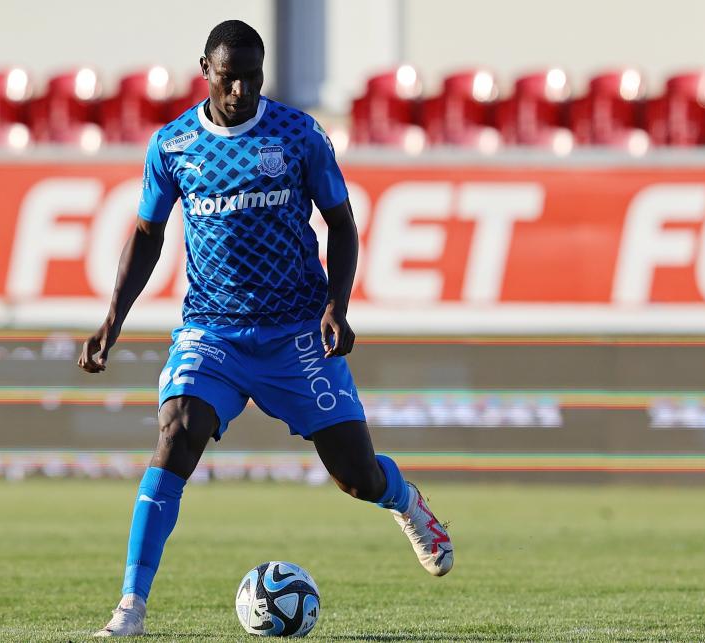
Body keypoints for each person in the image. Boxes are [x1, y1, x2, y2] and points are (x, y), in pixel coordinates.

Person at [79, 19, 453, 638]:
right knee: (177, 433)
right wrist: (112, 320)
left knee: (355, 475)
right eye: (230, 78)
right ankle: (130, 606)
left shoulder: (298, 134)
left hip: (296, 333)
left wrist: (337, 305)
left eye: (252, 78)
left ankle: (405, 500)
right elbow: (147, 235)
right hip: (213, 333)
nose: (241, 91)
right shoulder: (172, 145)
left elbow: (342, 223)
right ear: (205, 69)